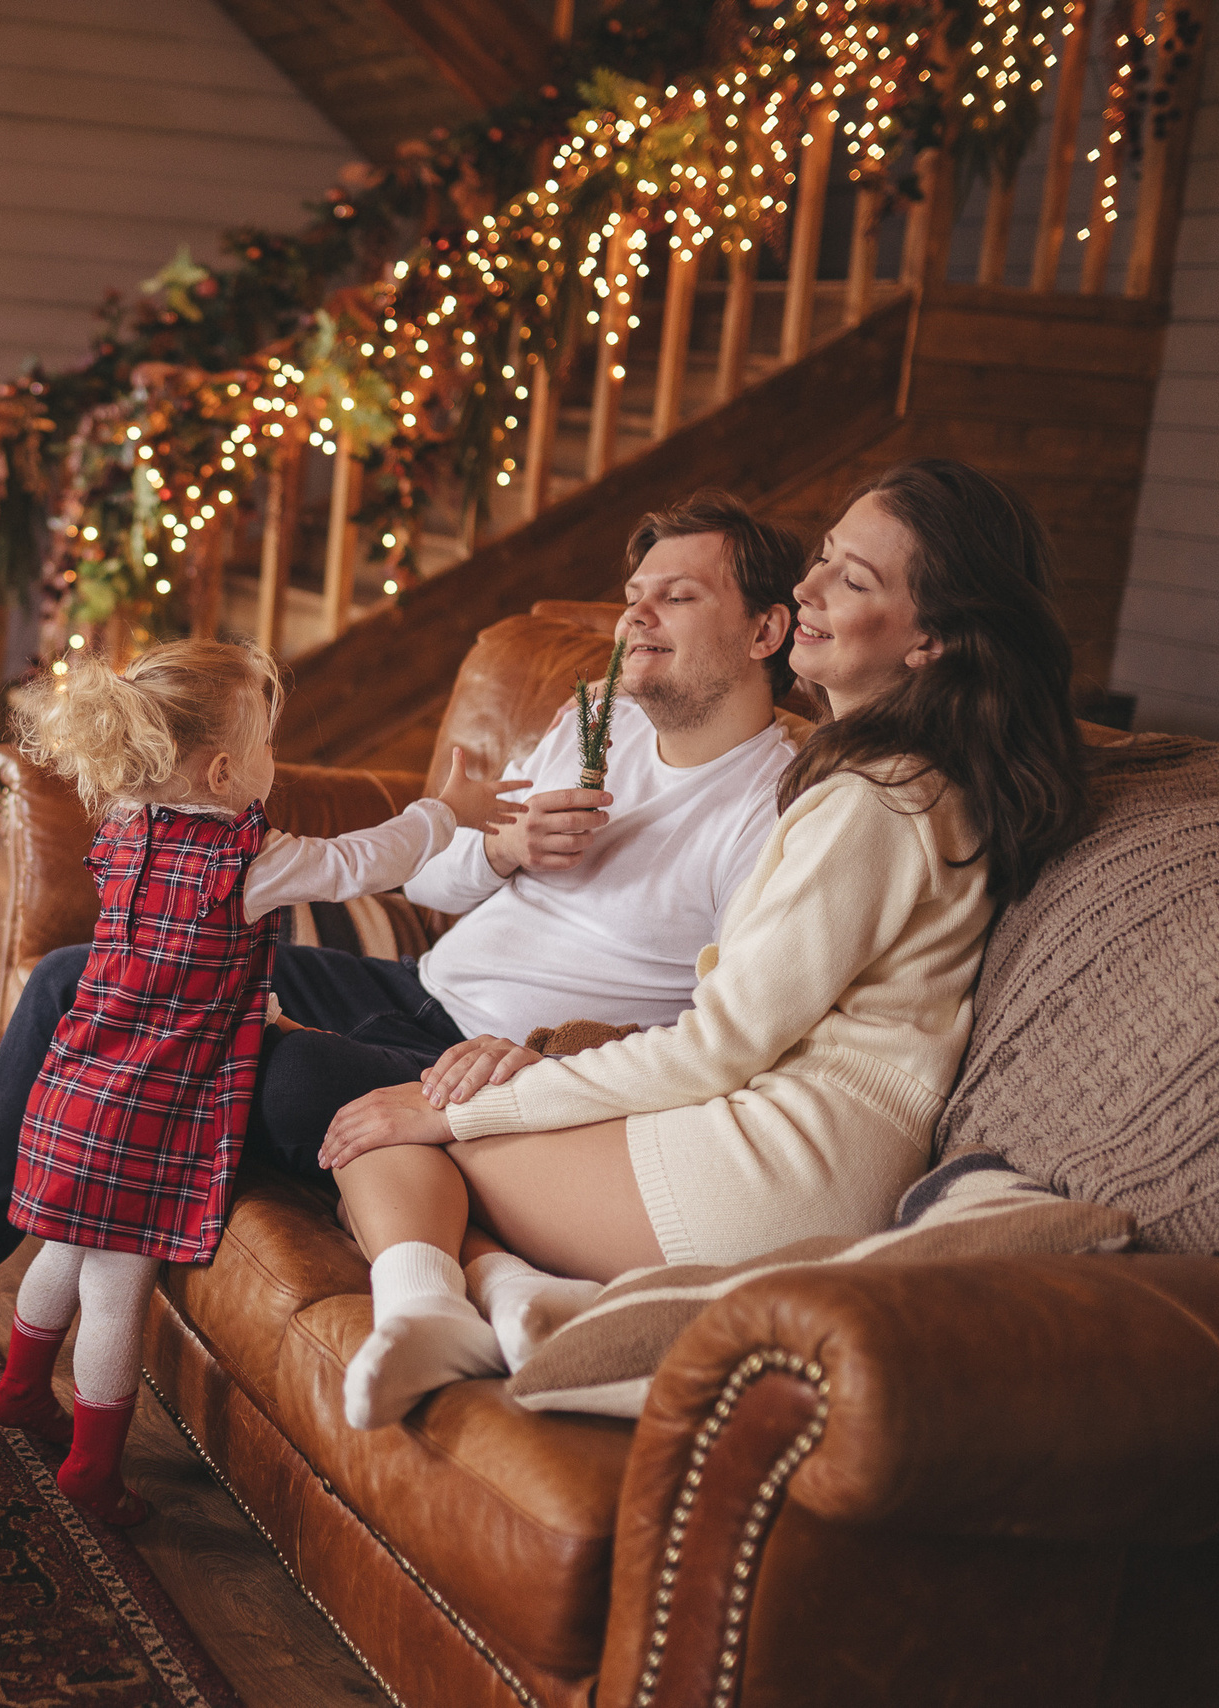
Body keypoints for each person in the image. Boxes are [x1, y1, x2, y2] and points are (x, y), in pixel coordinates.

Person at [0, 491, 807, 1367]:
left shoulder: (783, 806)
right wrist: (502, 849)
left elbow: (722, 1030)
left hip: (494, 1065)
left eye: (679, 597)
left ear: (765, 631)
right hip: (418, 986)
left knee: (273, 1076)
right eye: (633, 597)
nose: (636, 619)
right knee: (73, 982)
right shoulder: (599, 717)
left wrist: (540, 1063)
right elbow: (437, 882)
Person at [321, 458, 1093, 1431]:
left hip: (782, 1163)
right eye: (819, 562)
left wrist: (477, 1109)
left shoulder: (875, 799)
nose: (808, 588)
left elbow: (718, 1042)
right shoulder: (898, 781)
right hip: (789, 1135)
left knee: (387, 1130)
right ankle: (511, 1298)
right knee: (421, 1122)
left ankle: (432, 1307)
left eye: (851, 581)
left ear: (929, 638)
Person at [0, 637, 526, 1524]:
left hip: (85, 1077)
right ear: (229, 770)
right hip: (152, 1103)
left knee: (62, 1247)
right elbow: (366, 863)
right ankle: (91, 1463)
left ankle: (19, 1387)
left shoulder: (126, 826)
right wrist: (445, 810)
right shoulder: (250, 862)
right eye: (269, 747)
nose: (275, 765)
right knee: (120, 1286)